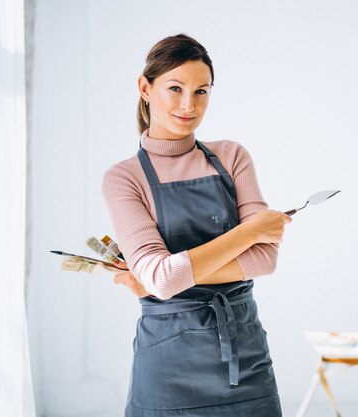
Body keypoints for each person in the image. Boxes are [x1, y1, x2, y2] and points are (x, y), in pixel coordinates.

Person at [101, 33, 291, 417]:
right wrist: (248, 233)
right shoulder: (124, 178)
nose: (189, 105)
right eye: (175, 88)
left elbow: (264, 261)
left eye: (201, 91)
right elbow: (162, 278)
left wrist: (168, 276)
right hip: (167, 365)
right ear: (145, 88)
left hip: (245, 356)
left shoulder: (231, 156)